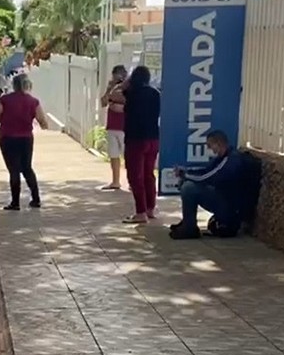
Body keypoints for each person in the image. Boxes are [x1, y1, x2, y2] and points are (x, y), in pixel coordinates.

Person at [171, 130, 243, 240]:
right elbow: (205, 171)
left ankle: (189, 228)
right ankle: (188, 222)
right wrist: (186, 172)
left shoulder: (231, 160)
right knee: (188, 184)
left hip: (229, 207)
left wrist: (186, 176)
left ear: (218, 143)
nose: (210, 149)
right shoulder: (223, 158)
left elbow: (208, 177)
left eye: (210, 146)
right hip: (224, 200)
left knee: (189, 188)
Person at [112, 66, 161, 224]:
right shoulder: (155, 94)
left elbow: (113, 95)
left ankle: (140, 212)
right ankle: (150, 208)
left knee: (135, 176)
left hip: (135, 140)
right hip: (153, 138)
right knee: (149, 175)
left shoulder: (131, 93)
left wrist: (122, 84)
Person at [0, 74, 48, 211]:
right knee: (27, 168)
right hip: (26, 138)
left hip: (7, 138)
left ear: (14, 85)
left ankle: (15, 202)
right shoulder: (33, 101)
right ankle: (36, 198)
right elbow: (42, 121)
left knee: (14, 170)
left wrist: (4, 120)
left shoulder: (5, 100)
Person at [100, 65, 129, 190]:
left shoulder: (129, 88)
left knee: (128, 156)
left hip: (125, 126)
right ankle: (115, 181)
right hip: (112, 125)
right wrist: (109, 90)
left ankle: (131, 181)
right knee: (113, 155)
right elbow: (103, 103)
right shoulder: (111, 88)